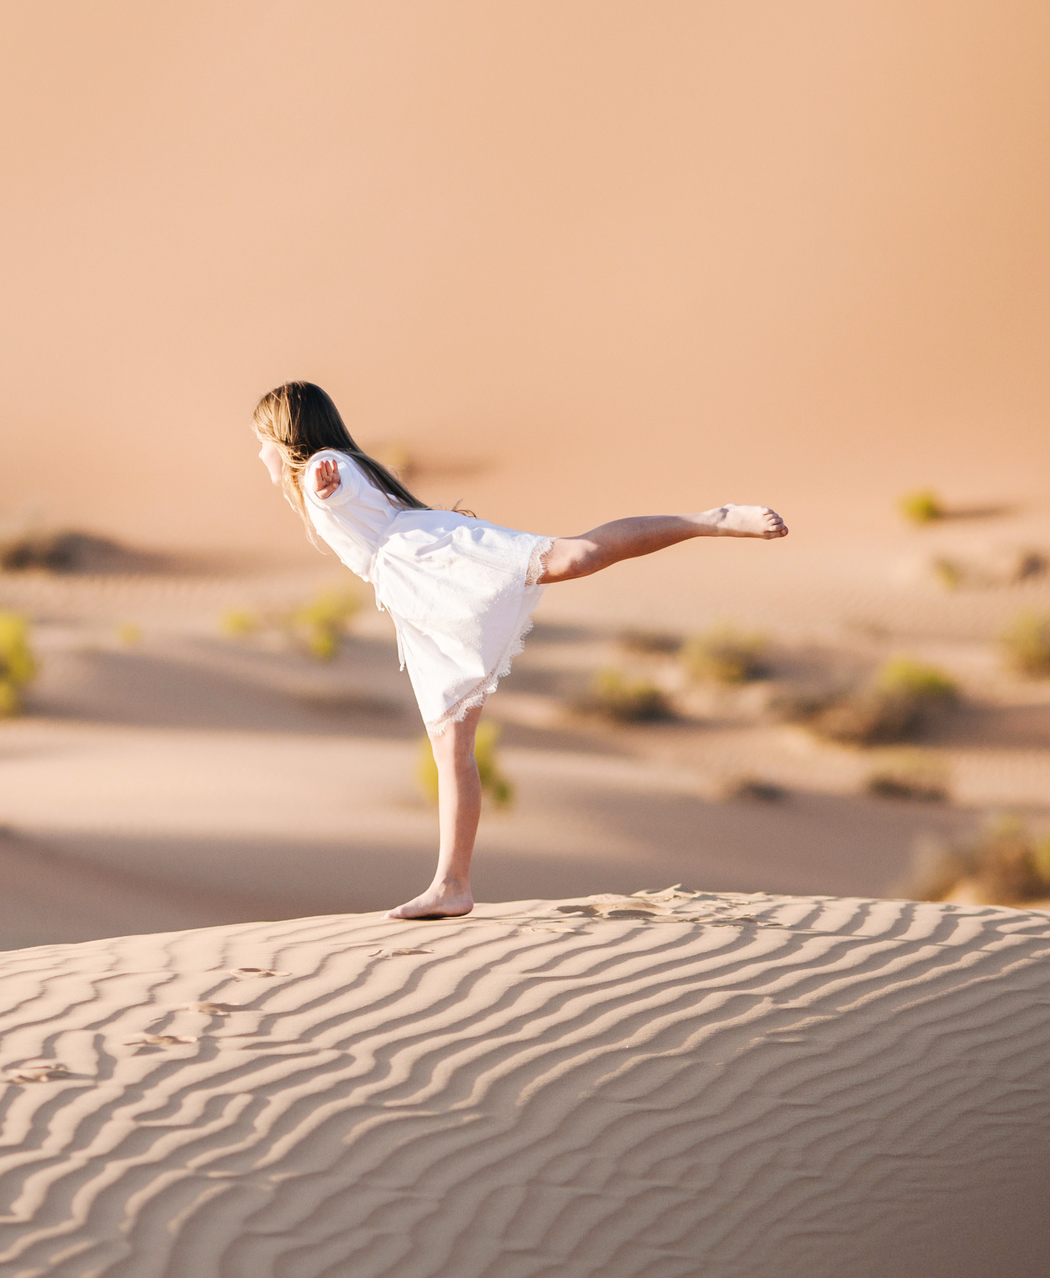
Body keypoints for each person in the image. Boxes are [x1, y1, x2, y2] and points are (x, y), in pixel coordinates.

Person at [252, 380, 787, 921]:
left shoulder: (326, 464)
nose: (259, 454)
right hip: (417, 592)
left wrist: (325, 482)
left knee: (575, 557)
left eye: (262, 440)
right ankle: (451, 884)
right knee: (451, 744)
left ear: (286, 435)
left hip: (433, 557)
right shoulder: (327, 469)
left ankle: (711, 520)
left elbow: (333, 480)